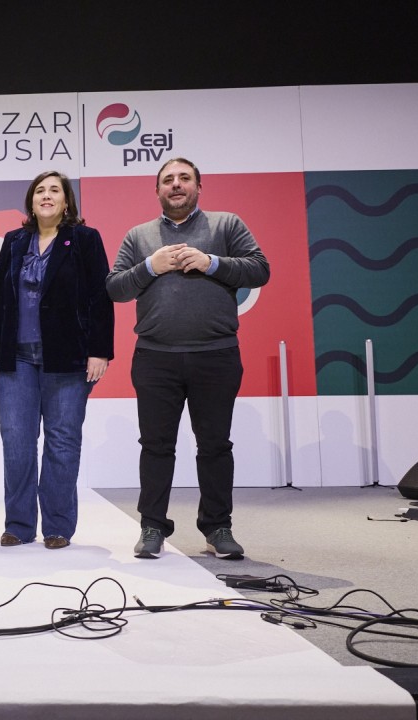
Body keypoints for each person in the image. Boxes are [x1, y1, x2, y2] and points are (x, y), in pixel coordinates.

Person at [105, 157, 270, 560]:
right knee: (155, 446)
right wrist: (150, 266)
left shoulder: (227, 225)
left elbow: (260, 269)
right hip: (155, 358)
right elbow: (115, 288)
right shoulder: (139, 236)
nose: (176, 185)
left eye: (184, 178)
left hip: (216, 356)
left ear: (198, 186)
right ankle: (152, 526)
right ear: (157, 190)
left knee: (215, 445)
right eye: (168, 180)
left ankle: (217, 528)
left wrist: (212, 263)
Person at [0, 171, 114, 549]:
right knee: (17, 441)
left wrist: (100, 350)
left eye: (55, 190)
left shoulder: (85, 239)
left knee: (62, 441)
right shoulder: (14, 240)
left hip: (68, 358)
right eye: (40, 190)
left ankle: (57, 526)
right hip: (17, 357)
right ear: (31, 201)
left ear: (67, 201)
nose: (47, 195)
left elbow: (100, 297)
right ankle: (19, 525)